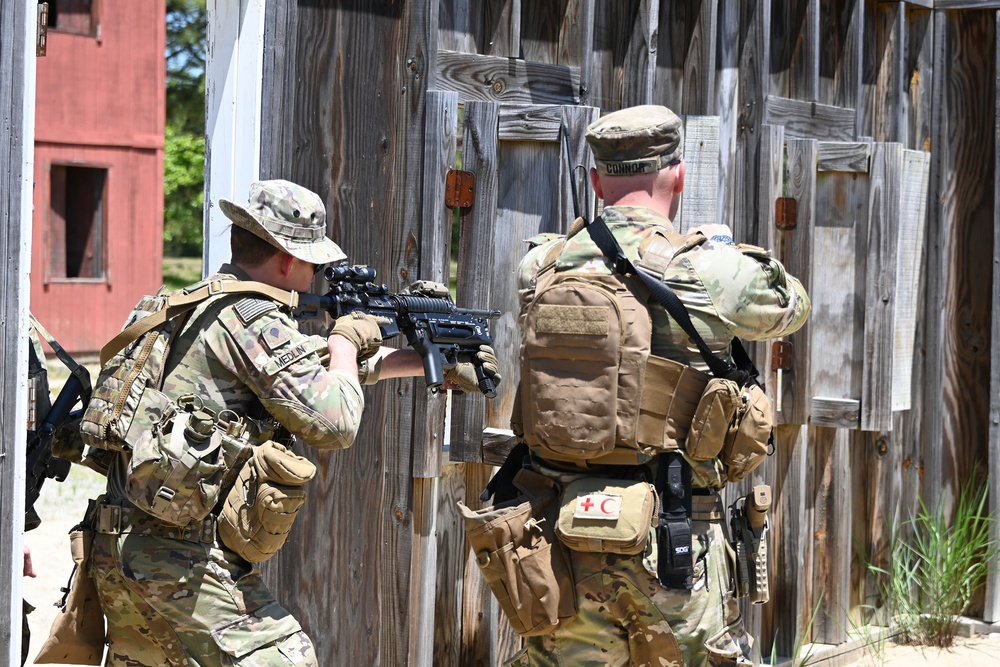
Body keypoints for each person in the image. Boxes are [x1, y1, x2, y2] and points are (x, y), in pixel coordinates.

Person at [87, 179, 498, 666]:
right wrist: (347, 338)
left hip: (119, 545)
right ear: (287, 258)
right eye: (313, 263)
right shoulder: (253, 318)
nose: (315, 276)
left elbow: (300, 374)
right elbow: (335, 422)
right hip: (178, 559)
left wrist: (431, 363)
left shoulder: (192, 305)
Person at [508, 106, 811, 666]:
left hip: (558, 544)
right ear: (679, 174)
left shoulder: (541, 265)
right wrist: (723, 248)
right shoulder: (702, 269)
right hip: (673, 540)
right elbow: (791, 306)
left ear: (597, 181)